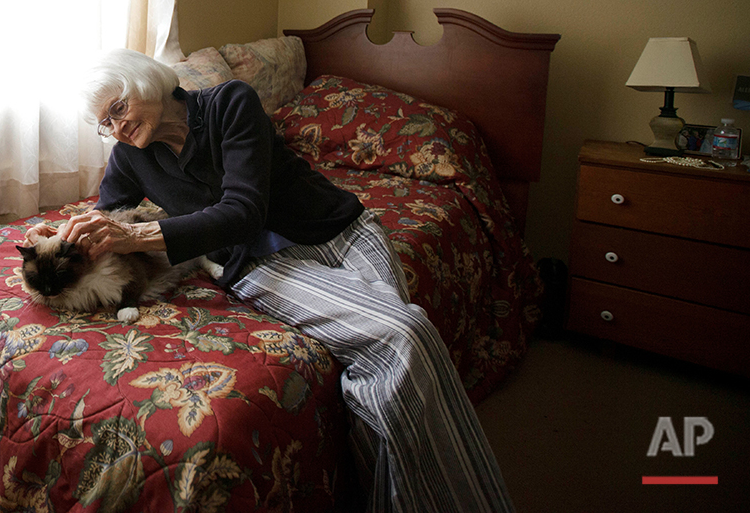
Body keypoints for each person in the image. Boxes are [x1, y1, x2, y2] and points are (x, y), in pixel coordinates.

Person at [55, 47, 515, 513]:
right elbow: (107, 215)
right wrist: (60, 238)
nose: (116, 128)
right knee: (404, 334)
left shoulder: (230, 103)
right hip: (260, 263)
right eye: (105, 123)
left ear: (145, 85)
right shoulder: (131, 156)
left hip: (339, 230)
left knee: (384, 366)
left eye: (118, 109)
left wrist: (140, 234)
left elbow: (244, 210)